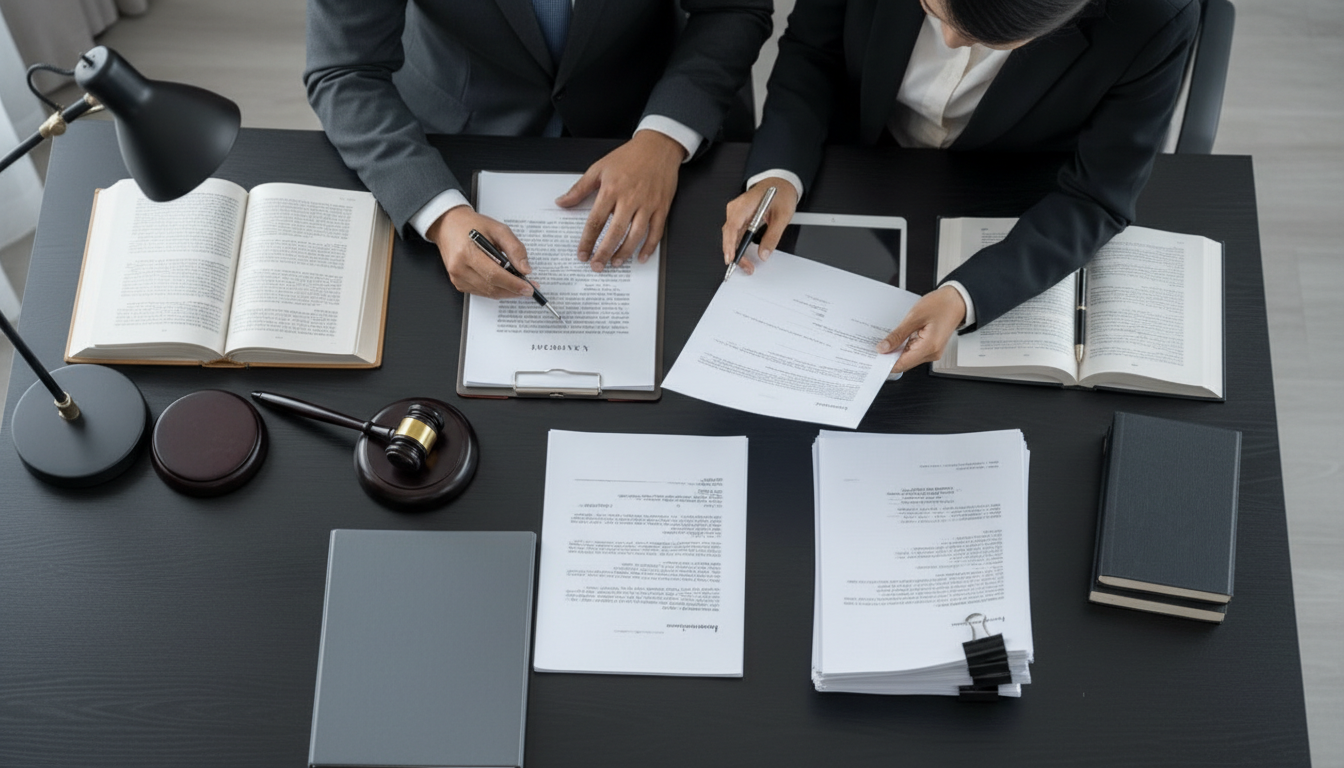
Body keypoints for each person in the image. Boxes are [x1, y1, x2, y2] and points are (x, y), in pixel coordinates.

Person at [722, 0, 1199, 374]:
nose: (948, 41)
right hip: (861, 161)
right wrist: (778, 172)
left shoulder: (1154, 19)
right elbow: (813, 53)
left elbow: (1097, 196)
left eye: (983, 38)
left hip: (1012, 193)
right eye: (932, 11)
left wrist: (968, 296)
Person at [306, 0, 772, 299]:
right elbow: (344, 70)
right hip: (456, 133)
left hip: (648, 107)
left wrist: (665, 137)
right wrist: (439, 213)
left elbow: (733, 8)